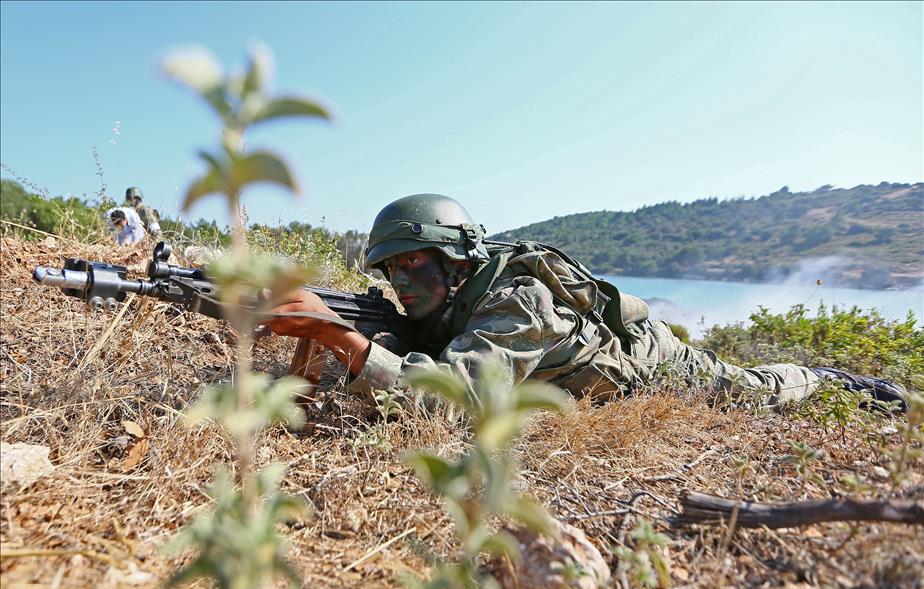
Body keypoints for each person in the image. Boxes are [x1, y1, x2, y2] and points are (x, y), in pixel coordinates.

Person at [265, 194, 908, 412]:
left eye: (412, 263)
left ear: (456, 259)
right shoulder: (439, 305)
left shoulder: (518, 303)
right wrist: (316, 339)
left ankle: (831, 381)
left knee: (754, 392)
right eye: (390, 269)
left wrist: (334, 336)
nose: (399, 282)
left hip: (653, 365)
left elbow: (454, 398)